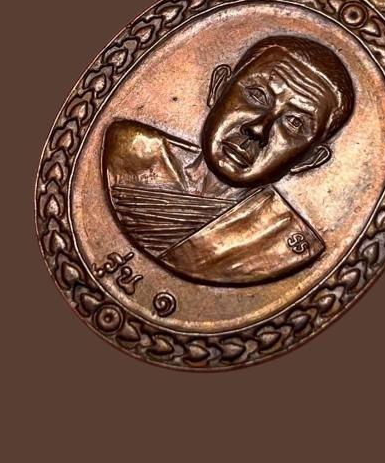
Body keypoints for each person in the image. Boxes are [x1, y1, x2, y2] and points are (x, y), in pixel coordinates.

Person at [103, 35, 354, 285]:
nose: (258, 129)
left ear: (308, 159)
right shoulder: (129, 150)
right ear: (219, 87)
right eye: (257, 95)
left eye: (294, 123)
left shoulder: (283, 242)